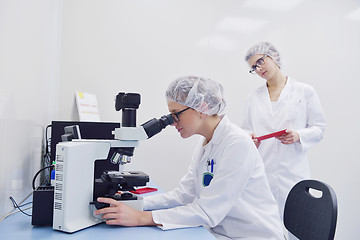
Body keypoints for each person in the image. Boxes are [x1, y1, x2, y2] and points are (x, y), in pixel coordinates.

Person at [95, 76, 285, 239]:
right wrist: (135, 203)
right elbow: (184, 195)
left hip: (254, 236)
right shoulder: (206, 143)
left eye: (175, 114)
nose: (172, 122)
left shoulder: (237, 143)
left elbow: (207, 211)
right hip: (222, 233)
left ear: (201, 107)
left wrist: (140, 218)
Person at [242, 42, 327, 219]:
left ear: (273, 57)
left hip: (293, 172)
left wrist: (299, 135)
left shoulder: (304, 91)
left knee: (296, 221)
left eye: (260, 62)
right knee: (267, 225)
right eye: (253, 68)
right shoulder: (253, 97)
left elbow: (319, 128)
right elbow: (247, 129)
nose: (258, 69)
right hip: (263, 173)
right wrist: (249, 138)